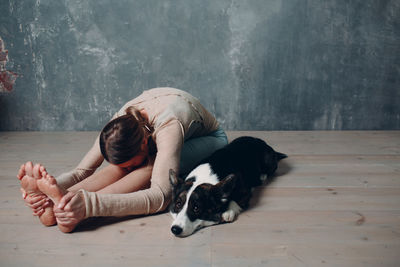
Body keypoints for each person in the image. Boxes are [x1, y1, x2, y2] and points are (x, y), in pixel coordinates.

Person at [17, 88, 228, 233]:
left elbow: (161, 196)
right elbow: (83, 170)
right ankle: (63, 203)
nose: (126, 168)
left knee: (149, 168)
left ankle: (79, 210)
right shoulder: (119, 124)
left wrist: (90, 206)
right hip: (156, 140)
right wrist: (51, 188)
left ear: (145, 144)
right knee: (121, 167)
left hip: (210, 140)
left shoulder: (168, 126)